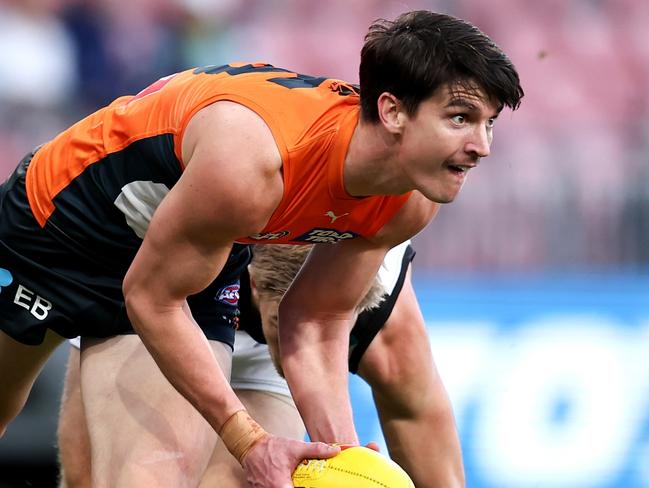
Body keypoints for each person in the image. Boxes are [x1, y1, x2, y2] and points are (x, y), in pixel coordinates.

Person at [0, 10, 523, 487]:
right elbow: (149, 297)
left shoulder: (412, 196)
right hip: (54, 229)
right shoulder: (253, 160)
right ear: (391, 111)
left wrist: (338, 454)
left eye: (489, 123)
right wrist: (250, 442)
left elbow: (317, 318)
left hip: (186, 260)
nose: (482, 146)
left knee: (151, 479)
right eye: (460, 118)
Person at [57, 242, 464, 488]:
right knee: (96, 478)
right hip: (171, 297)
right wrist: (245, 439)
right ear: (254, 285)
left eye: (319, 333)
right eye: (284, 329)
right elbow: (149, 300)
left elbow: (426, 435)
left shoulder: (386, 318)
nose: (298, 355)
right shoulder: (201, 227)